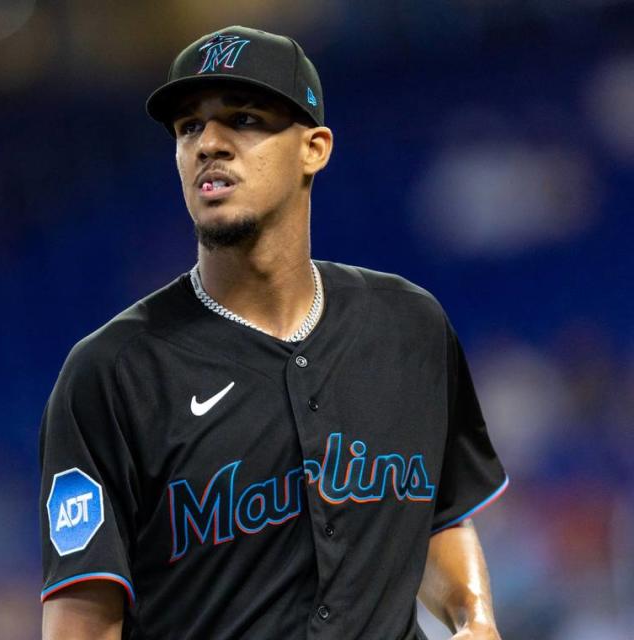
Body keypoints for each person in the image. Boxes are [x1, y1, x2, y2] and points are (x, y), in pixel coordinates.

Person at [39, 26, 508, 640]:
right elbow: (80, 618)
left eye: (245, 119)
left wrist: (475, 618)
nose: (210, 143)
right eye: (188, 128)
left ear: (314, 148)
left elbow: (437, 517)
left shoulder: (409, 327)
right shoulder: (113, 373)